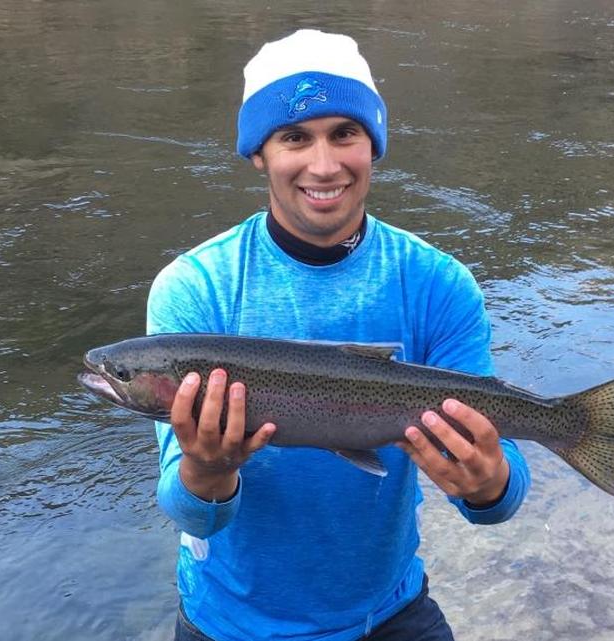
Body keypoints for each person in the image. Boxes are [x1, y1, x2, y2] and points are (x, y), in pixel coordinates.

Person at [145, 29, 531, 641]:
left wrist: (491, 486)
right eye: (294, 137)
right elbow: (190, 511)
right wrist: (207, 471)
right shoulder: (195, 289)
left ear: (372, 145)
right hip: (231, 624)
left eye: (344, 133)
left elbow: (498, 497)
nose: (323, 165)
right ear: (258, 154)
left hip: (390, 614)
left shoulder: (437, 284)